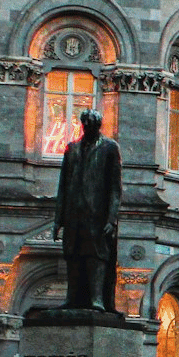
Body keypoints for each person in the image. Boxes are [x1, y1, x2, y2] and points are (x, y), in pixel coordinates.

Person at [52, 109, 123, 312]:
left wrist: (112, 219)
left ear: (98, 126)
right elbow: (63, 185)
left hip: (97, 213)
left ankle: (97, 298)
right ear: (83, 125)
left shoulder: (110, 147)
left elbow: (115, 187)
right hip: (74, 212)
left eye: (93, 126)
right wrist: (58, 219)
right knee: (73, 254)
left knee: (97, 255)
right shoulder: (72, 148)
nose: (89, 129)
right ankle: (72, 297)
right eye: (86, 125)